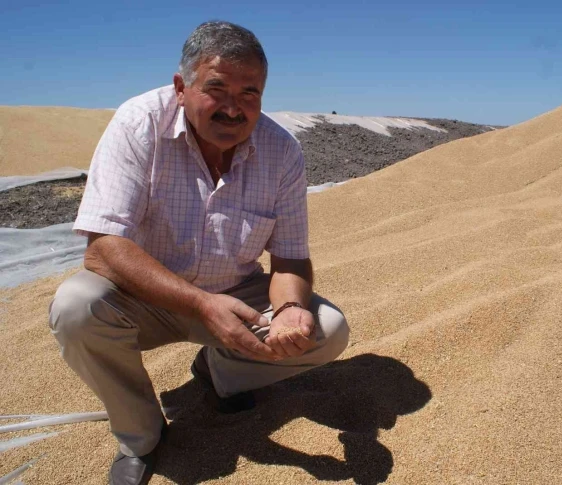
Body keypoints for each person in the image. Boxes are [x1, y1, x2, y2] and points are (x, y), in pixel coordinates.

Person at [48, 21, 349, 485]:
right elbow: (104, 250)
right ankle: (141, 436)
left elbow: (289, 258)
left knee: (326, 330)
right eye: (217, 88)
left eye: (250, 93)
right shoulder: (138, 123)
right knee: (75, 308)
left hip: (237, 294)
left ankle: (219, 371)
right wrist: (202, 306)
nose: (233, 108)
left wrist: (289, 308)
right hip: (145, 293)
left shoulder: (282, 150)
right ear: (181, 87)